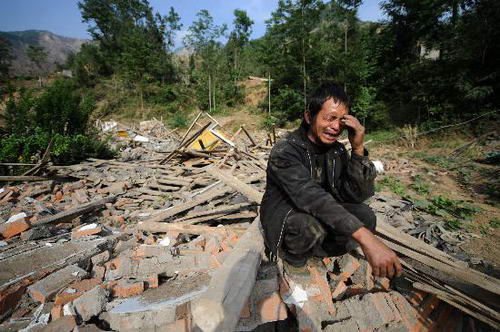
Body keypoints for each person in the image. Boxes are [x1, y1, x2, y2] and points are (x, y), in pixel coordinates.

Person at [260, 82, 402, 279]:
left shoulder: (336, 151)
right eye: (329, 118)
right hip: (288, 217)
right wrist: (366, 238)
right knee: (308, 227)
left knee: (366, 215)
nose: (336, 127)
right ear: (309, 116)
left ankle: (317, 254)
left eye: (341, 121)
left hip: (320, 213)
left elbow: (355, 196)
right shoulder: (286, 151)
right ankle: (293, 261)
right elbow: (311, 197)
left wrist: (358, 150)